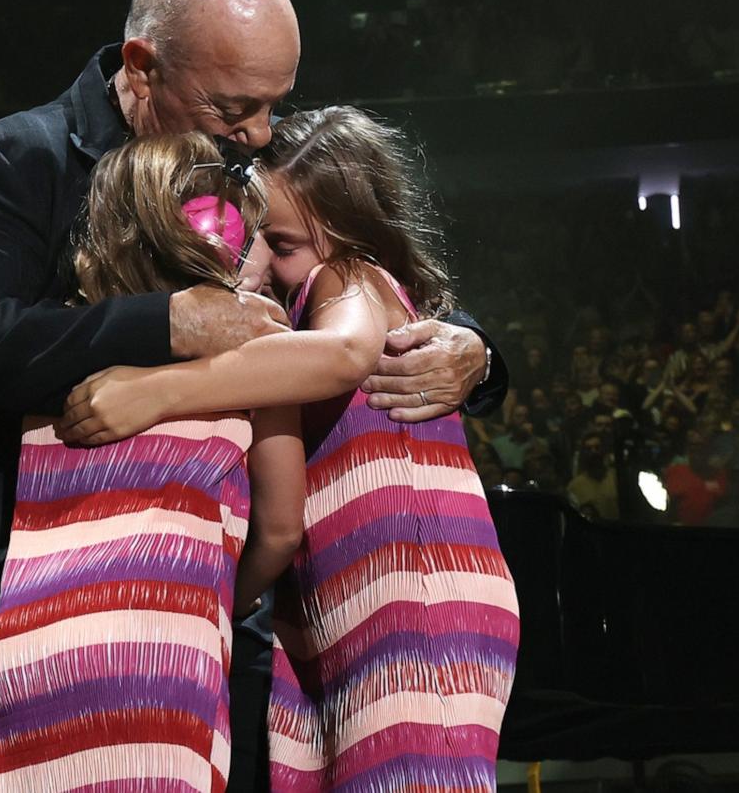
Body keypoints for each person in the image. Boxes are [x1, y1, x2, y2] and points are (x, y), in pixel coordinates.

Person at [0, 0, 507, 786]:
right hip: (27, 577)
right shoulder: (21, 159)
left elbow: (359, 249)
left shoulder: (239, 143)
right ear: (143, 67)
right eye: (238, 105)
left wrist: (474, 348)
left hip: (221, 587)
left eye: (275, 106)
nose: (260, 133)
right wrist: (166, 325)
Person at [56, 107, 518, 789]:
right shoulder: (288, 312)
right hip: (333, 612)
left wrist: (153, 392)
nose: (265, 259)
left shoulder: (346, 278)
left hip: (411, 600)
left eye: (285, 241)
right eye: (259, 235)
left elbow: (344, 352)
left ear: (352, 234)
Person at [0, 133, 307, 790]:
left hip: (30, 644)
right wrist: (216, 600)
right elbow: (281, 529)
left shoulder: (53, 338)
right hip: (160, 643)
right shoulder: (258, 338)